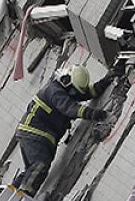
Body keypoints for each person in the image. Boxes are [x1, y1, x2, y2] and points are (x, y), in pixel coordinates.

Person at [12, 64, 114, 193]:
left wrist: (106, 81)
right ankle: (23, 196)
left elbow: (86, 93)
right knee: (40, 165)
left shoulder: (67, 89)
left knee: (32, 170)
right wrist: (92, 114)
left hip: (34, 135)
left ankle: (9, 192)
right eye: (73, 91)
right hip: (35, 134)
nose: (74, 94)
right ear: (66, 80)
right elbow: (70, 108)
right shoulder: (54, 91)